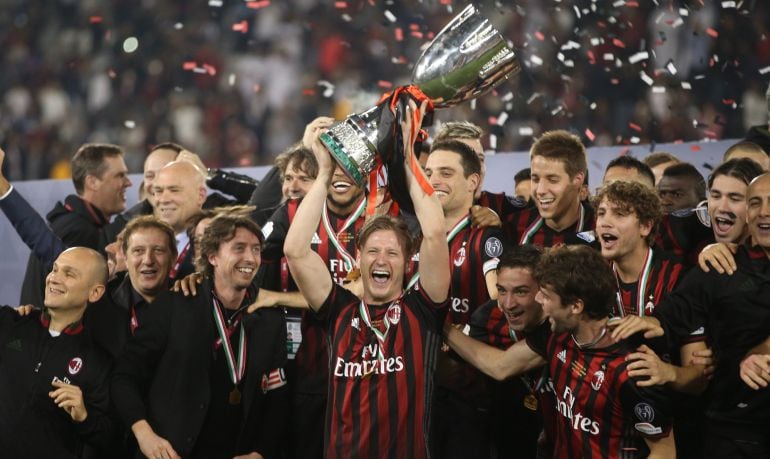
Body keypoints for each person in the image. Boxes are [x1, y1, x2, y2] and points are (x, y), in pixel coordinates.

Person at [284, 101, 450, 458]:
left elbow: (435, 233)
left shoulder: (423, 312)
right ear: (358, 258)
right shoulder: (338, 312)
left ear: (408, 265)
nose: (381, 259)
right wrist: (324, 172)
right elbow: (296, 250)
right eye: (373, 251)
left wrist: (406, 157)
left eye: (392, 253)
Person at [445, 245, 676, 458]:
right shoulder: (556, 337)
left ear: (576, 306)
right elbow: (500, 365)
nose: (538, 300)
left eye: (545, 295)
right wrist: (439, 323)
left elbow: (664, 451)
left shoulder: (634, 366)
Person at [612, 173, 770, 458]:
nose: (764, 212)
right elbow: (677, 311)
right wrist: (651, 322)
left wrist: (761, 352)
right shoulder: (724, 265)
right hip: (733, 431)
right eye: (755, 202)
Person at [112, 214, 288, 459]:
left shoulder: (270, 320)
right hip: (170, 453)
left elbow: (277, 398)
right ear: (212, 256)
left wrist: (261, 451)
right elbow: (124, 377)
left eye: (256, 250)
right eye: (239, 248)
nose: (250, 258)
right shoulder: (175, 304)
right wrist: (145, 435)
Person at [257, 118, 367, 459]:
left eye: (348, 164)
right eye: (330, 163)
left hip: (368, 368)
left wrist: (276, 297)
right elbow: (247, 246)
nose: (338, 174)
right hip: (310, 367)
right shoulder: (292, 212)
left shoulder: (385, 214)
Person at [423, 139, 504, 459]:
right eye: (429, 172)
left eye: (446, 172)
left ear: (473, 181)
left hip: (467, 394)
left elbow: (500, 298)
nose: (434, 180)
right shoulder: (415, 233)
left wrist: (463, 336)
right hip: (418, 390)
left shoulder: (486, 235)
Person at [0, 247, 113, 458]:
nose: (54, 278)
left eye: (69, 274)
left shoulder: (98, 362)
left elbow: (110, 439)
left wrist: (84, 417)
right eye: (54, 269)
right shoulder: (9, 323)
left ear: (95, 292)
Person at [20, 143, 131, 306]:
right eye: (119, 176)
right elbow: (69, 301)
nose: (128, 182)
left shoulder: (74, 222)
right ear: (92, 182)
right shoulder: (78, 230)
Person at [467, 245, 550, 459]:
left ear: (544, 291)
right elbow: (453, 367)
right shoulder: (488, 316)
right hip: (508, 440)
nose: (508, 304)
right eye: (502, 290)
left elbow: (501, 367)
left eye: (521, 291)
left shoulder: (560, 325)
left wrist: (442, 327)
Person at [503, 130, 595, 247]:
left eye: (552, 180)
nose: (540, 190)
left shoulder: (601, 228)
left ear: (577, 180)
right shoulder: (513, 228)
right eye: (535, 179)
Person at [151, 160, 208, 281]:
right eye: (158, 191)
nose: (163, 199)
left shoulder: (216, 242)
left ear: (201, 196)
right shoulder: (145, 241)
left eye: (174, 190)